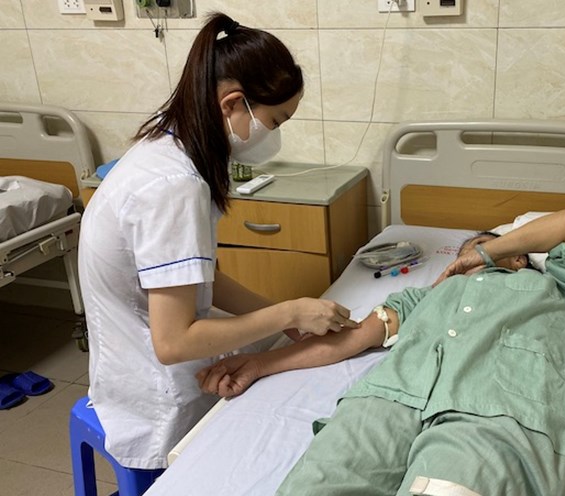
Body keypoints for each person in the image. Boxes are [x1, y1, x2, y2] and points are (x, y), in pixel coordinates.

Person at [76, 12, 358, 471]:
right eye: (277, 119)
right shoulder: (172, 185)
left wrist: (282, 318)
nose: (277, 133)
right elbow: (174, 342)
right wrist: (287, 313)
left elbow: (202, 277)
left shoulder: (167, 148)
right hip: (158, 393)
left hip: (144, 356)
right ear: (232, 104)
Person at [200, 206, 565, 496]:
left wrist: (486, 251)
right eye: (463, 253)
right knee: (315, 485)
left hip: (500, 413)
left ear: (519, 256)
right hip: (388, 401)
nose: (464, 258)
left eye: (479, 248)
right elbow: (349, 340)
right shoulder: (422, 298)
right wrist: (258, 363)